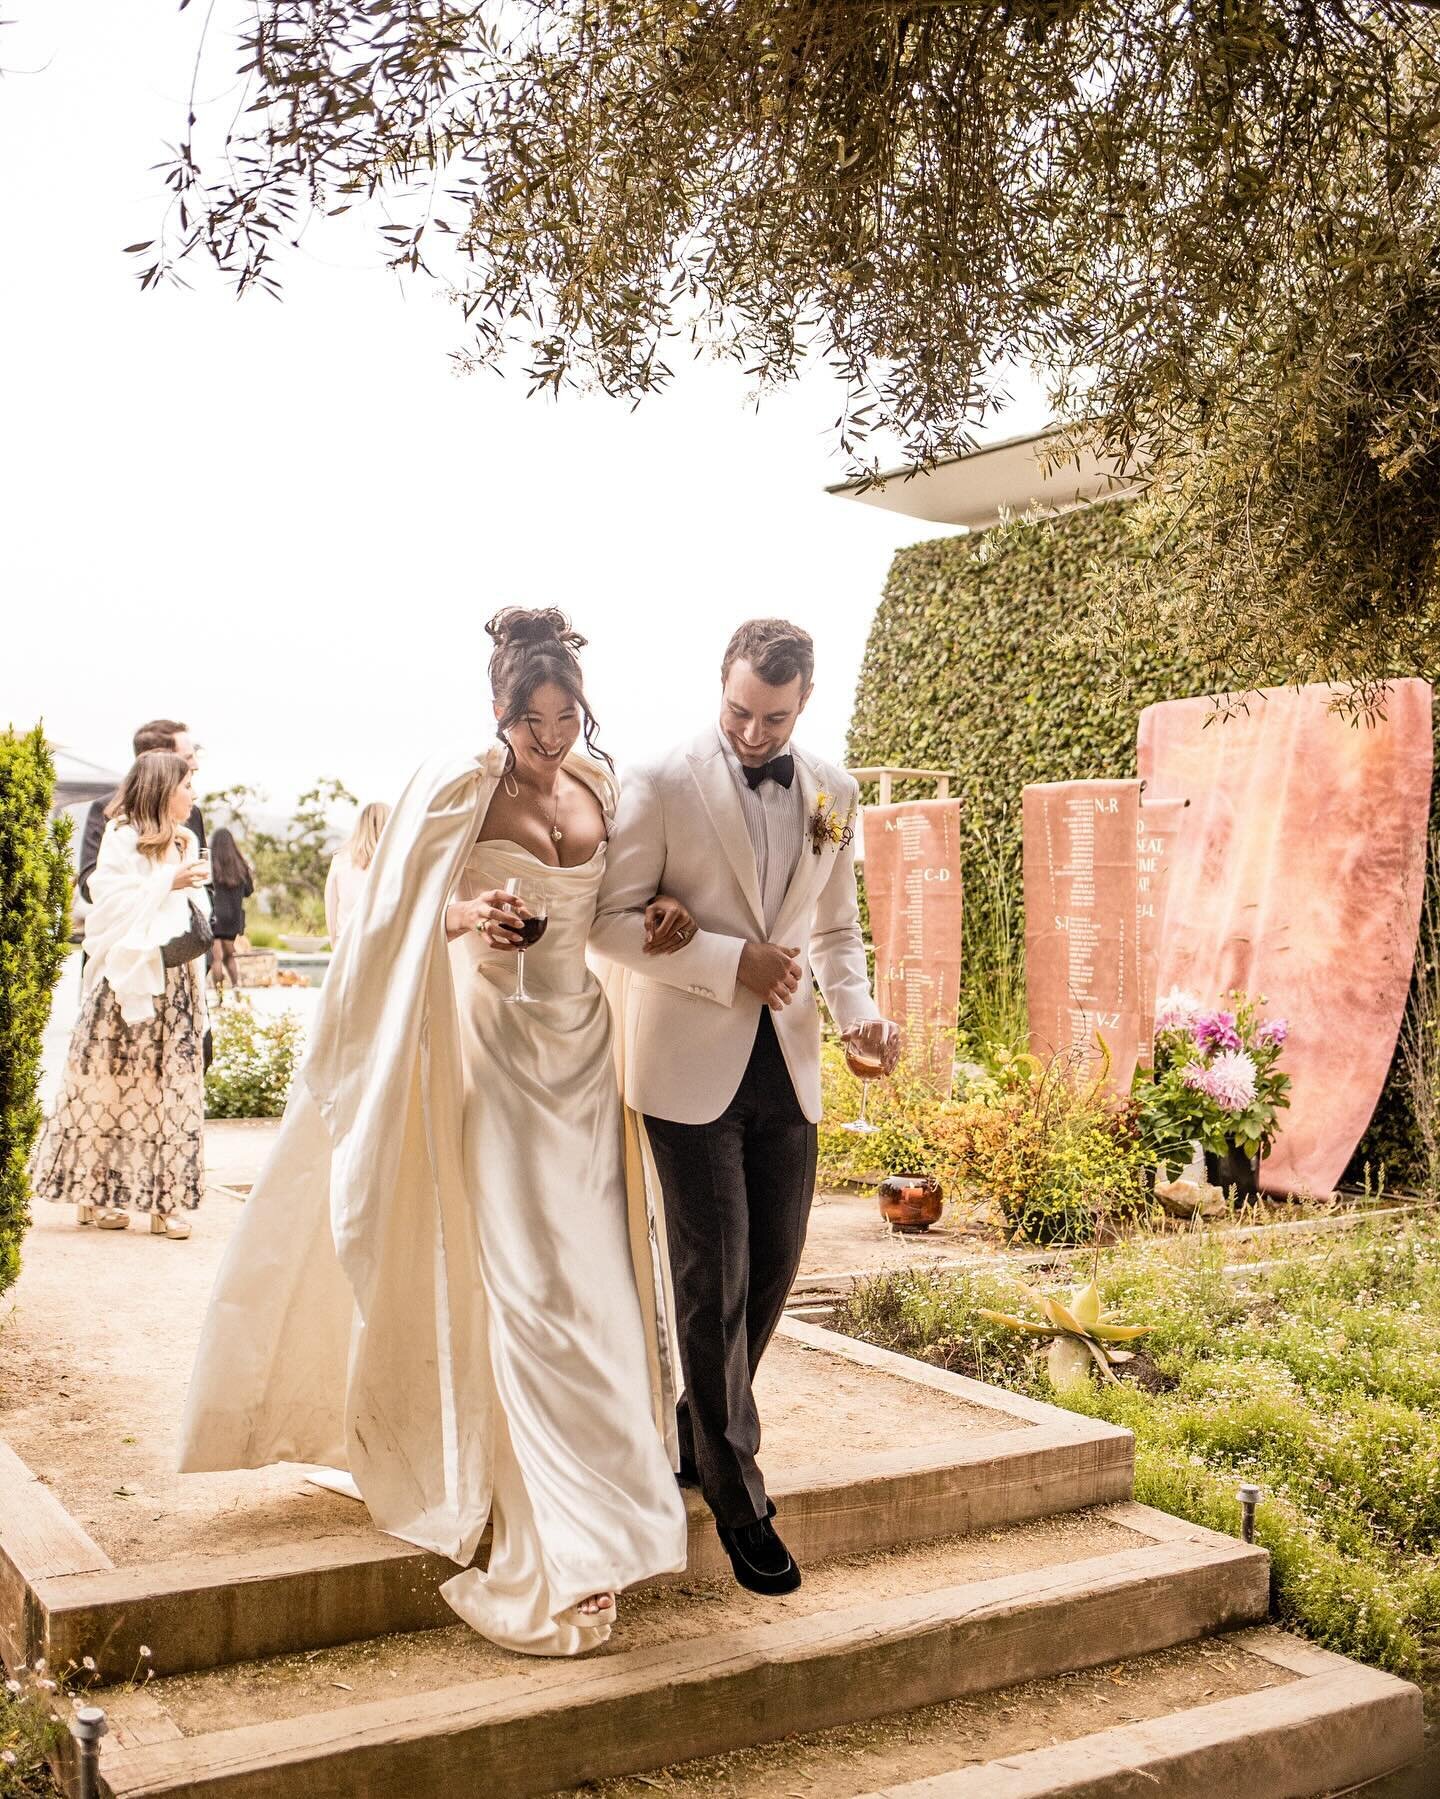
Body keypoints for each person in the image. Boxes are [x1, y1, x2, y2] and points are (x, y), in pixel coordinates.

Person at [179, 607, 697, 1657]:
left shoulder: (603, 788)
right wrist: (469, 915)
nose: (551, 736)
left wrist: (665, 918)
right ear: (498, 710)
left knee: (597, 1290)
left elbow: (619, 906)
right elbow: (385, 910)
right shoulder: (462, 785)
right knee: (531, 1287)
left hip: (586, 1057)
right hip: (495, 1054)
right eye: (533, 718)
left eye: (566, 716)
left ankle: (608, 1511)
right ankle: (559, 1541)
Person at [591, 617, 900, 1597]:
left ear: (803, 700)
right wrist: (732, 961)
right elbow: (608, 921)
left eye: (772, 716)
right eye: (737, 710)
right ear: (718, 688)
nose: (753, 731)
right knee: (711, 1279)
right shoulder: (660, 778)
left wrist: (860, 1015)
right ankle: (739, 1500)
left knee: (769, 1270)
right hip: (686, 1068)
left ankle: (697, 1431)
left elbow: (838, 927)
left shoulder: (831, 790)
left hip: (790, 1066)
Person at [33, 752, 211, 1240]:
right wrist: (167, 880)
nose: (193, 795)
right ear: (163, 788)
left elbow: (193, 909)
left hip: (174, 978)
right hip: (124, 979)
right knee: (108, 1087)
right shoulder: (122, 835)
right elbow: (106, 903)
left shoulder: (187, 838)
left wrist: (184, 887)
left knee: (172, 1089)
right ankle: (93, 1197)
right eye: (187, 785)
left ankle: (166, 1203)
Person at [77, 719, 206, 902]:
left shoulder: (191, 816)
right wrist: (165, 884)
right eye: (187, 758)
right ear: (157, 762)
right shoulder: (111, 815)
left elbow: (204, 884)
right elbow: (90, 886)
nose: (195, 765)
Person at [324, 801, 390, 944]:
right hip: (381, 942)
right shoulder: (391, 863)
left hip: (346, 942)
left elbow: (331, 907)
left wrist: (333, 942)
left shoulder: (339, 859)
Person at [207, 828, 254, 997]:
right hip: (233, 917)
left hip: (214, 916)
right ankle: (237, 990)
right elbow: (249, 891)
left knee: (216, 958)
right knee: (230, 955)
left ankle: (220, 997)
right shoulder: (241, 865)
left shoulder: (210, 864)